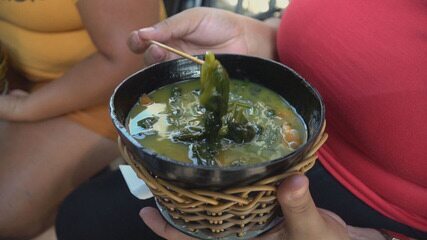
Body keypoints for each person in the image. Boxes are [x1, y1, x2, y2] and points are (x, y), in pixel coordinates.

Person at [56, 1, 427, 240]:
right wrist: (260, 41)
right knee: (80, 217)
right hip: (252, 142)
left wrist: (376, 239)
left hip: (371, 214)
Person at [0, 0, 163, 239]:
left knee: (6, 212)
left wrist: (20, 108)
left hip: (111, 90)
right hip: (20, 74)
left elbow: (129, 59)